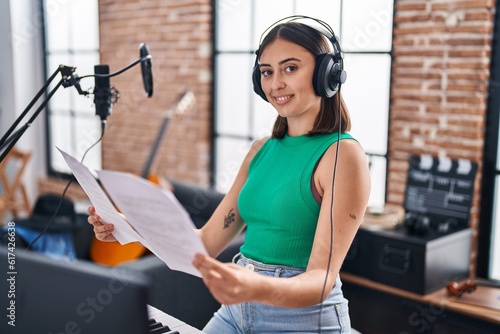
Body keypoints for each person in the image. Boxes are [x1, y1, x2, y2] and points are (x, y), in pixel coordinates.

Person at [88, 15, 370, 333]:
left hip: (303, 320)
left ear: (326, 74)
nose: (276, 83)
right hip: (237, 312)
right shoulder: (262, 150)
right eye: (267, 72)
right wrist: (125, 228)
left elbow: (320, 280)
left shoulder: (343, 155)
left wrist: (255, 286)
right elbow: (205, 241)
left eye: (290, 68)